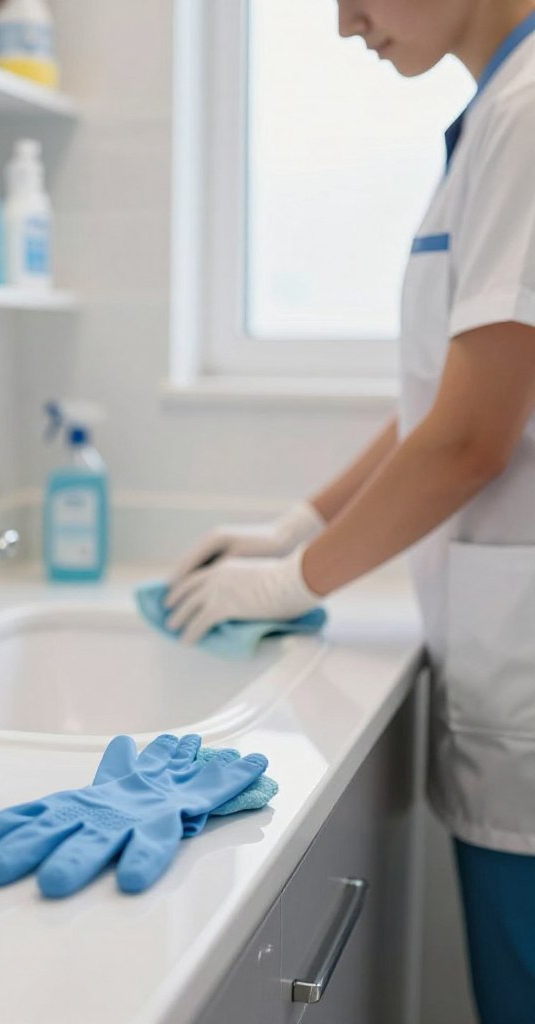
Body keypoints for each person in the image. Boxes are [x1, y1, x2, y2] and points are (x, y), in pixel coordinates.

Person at [165, 2, 535, 1021]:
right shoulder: (498, 112)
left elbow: (470, 441)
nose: (342, 23)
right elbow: (441, 397)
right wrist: (297, 523)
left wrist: (295, 578)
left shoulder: (529, 111)